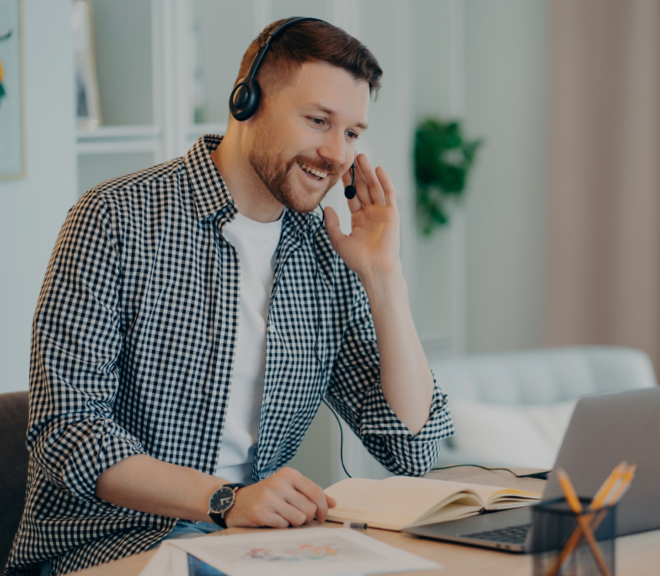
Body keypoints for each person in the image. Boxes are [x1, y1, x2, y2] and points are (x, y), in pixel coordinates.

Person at [5, 19, 452, 576]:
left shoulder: (326, 252)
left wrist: (386, 280)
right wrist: (227, 500)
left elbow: (410, 448)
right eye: (318, 121)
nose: (337, 153)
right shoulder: (114, 219)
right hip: (109, 548)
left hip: (250, 546)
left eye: (354, 133)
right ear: (247, 101)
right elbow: (67, 429)